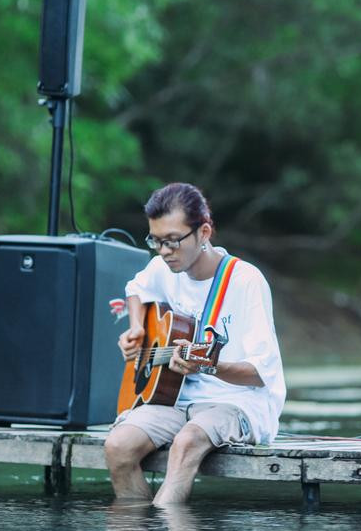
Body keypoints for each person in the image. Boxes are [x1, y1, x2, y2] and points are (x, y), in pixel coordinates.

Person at [104, 182, 285, 503]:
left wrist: (210, 365)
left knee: (186, 442)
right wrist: (136, 330)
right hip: (176, 398)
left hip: (238, 402)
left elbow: (259, 373)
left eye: (172, 241)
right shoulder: (163, 268)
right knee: (118, 447)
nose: (163, 251)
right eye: (155, 241)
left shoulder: (246, 281)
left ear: (204, 232)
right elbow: (136, 289)